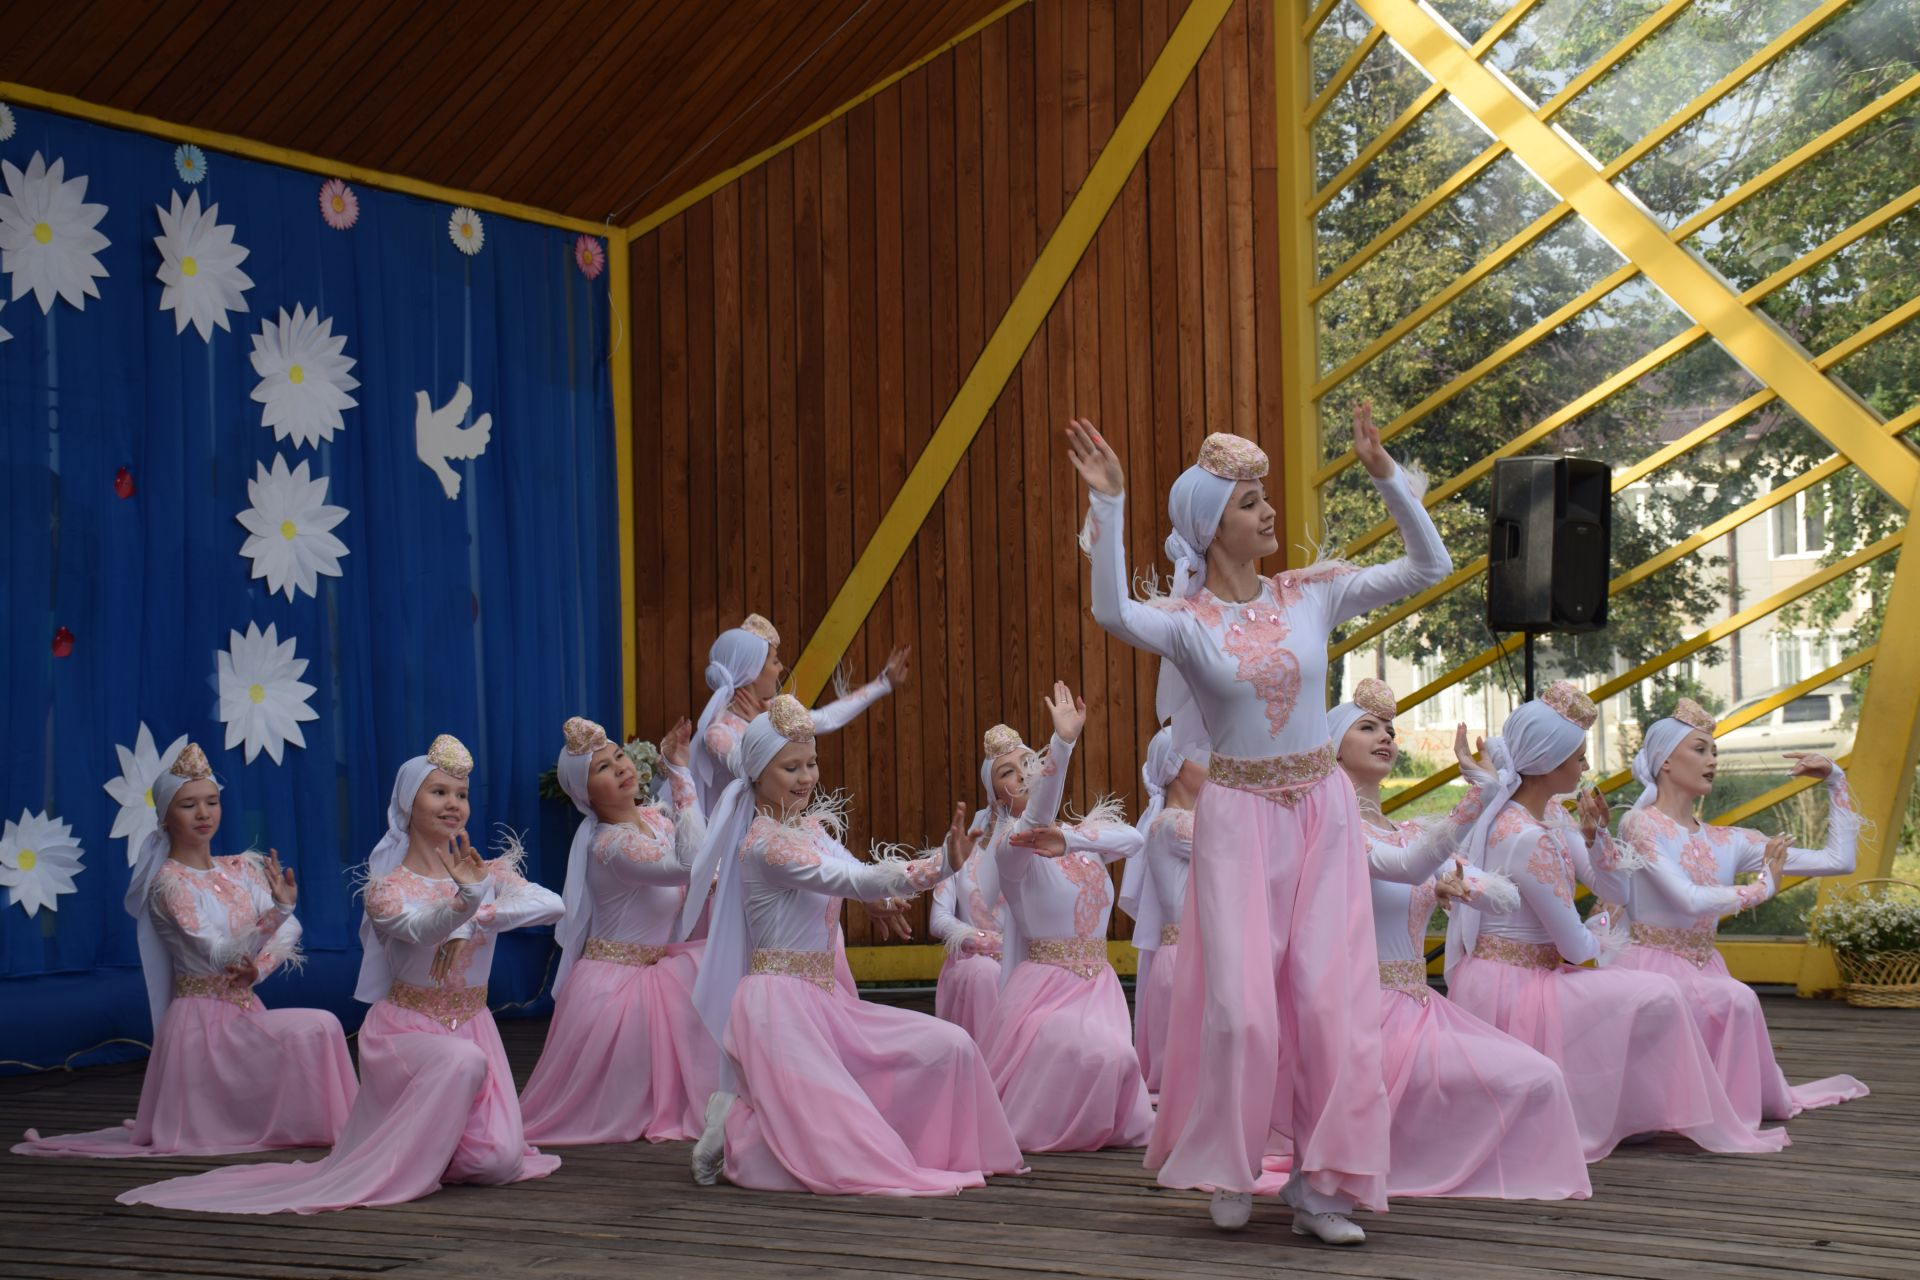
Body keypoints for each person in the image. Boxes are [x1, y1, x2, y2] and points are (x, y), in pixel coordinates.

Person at [1069, 408, 1451, 1242]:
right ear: (1211, 528)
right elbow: (1110, 616)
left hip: (1322, 813)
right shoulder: (1188, 623)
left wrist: (1386, 473)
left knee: (1329, 1005)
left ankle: (1320, 1185)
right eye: (1249, 502)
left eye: (1264, 496)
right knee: (1242, 1010)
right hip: (1238, 820)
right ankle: (1228, 1163)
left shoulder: (1310, 593)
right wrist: (1109, 507)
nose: (1268, 513)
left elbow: (1431, 564)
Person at [119, 735, 568, 1213]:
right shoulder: (386, 889)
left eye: (461, 794)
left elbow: (553, 904)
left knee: (498, 1164)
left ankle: (431, 1146)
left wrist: (480, 911)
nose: (453, 803)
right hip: (406, 1031)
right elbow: (418, 929)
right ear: (407, 802)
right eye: (438, 792)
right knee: (460, 1064)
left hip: (475, 1027)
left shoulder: (485, 872)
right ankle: (408, 1148)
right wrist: (468, 901)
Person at [681, 695, 1024, 1195]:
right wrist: (941, 866)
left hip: (825, 1002)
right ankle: (736, 1123)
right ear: (756, 773)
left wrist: (870, 902)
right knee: (837, 1151)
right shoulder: (765, 844)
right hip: (778, 1011)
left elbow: (851, 877)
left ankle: (748, 1109)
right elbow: (855, 878)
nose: (806, 777)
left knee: (951, 1044)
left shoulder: (810, 829)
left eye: (812, 763)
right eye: (790, 767)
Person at [1443, 685, 1789, 1160]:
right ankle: (1633, 1110)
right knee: (1652, 991)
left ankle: (1634, 1110)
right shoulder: (1525, 836)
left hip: (1537, 971)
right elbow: (1579, 948)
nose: (1585, 768)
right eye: (1579, 757)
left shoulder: (1553, 815)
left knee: (1650, 989)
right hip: (1517, 985)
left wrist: (1596, 836)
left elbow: (1615, 893)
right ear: (1550, 760)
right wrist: (1620, 950)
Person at [15, 742, 354, 1158]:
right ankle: (326, 1129)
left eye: (211, 802)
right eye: (188, 805)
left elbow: (289, 932)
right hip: (201, 1024)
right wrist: (277, 912)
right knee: (317, 1026)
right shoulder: (168, 884)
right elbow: (215, 951)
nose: (203, 814)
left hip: (243, 1009)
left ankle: (332, 1128)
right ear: (165, 816)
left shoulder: (239, 868)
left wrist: (257, 972)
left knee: (324, 1024)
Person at [1321, 680, 1590, 1200]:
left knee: (1537, 1075)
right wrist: (1482, 794)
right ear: (1333, 745)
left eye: (1390, 730)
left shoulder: (1402, 833)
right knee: (1526, 1078)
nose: (1385, 737)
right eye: (1367, 727)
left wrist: (1470, 882)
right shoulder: (1334, 827)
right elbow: (1407, 867)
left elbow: (1499, 897)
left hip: (1418, 1008)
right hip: (1358, 1012)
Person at [1610, 698, 1868, 1121]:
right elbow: (1687, 898)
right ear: (1665, 761)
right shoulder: (1639, 824)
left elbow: (1839, 861)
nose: (1712, 760)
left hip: (1703, 966)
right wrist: (1762, 888)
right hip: (1646, 966)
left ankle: (1717, 1106)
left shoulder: (1729, 840)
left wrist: (1835, 781)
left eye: (1715, 751)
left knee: (1734, 997)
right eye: (1700, 749)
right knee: (1738, 997)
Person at [518, 715, 717, 1145]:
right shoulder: (612, 846)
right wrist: (680, 774)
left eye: (620, 756)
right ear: (585, 793)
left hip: (656, 970)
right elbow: (690, 866)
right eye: (603, 769)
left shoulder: (655, 821)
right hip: (615, 991)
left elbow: (699, 862)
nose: (621, 767)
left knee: (713, 976)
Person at [978, 684, 1152, 1152]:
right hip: (1045, 992)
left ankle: (1091, 1126)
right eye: (1006, 774)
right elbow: (1036, 818)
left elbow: (1135, 839)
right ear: (996, 797)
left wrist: (1072, 840)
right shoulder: (1010, 851)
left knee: (1113, 1058)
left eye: (1025, 764)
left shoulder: (1076, 837)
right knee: (1107, 1054)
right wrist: (1063, 744)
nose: (1021, 776)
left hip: (1099, 984)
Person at [1118, 723, 1203, 1096]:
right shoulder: (1175, 825)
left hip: (1189, 955)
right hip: (1187, 958)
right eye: (1205, 757)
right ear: (1179, 767)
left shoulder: (1169, 823)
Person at [928, 808, 1003, 1041]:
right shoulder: (961, 851)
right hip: (971, 960)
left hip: (1024, 957)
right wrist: (987, 941)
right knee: (984, 972)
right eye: (1006, 772)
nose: (1020, 778)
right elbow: (938, 919)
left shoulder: (1037, 851)